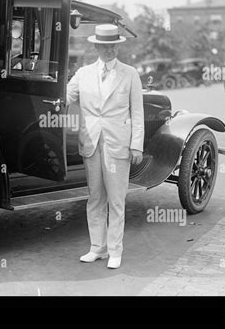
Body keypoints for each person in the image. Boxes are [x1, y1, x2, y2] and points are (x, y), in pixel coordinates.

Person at [67, 24, 145, 269]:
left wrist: (137, 146)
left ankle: (115, 251)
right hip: (91, 142)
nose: (109, 50)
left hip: (118, 144)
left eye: (113, 46)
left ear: (117, 46)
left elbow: (138, 112)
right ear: (96, 47)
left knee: (116, 199)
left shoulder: (130, 73)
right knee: (95, 198)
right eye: (104, 46)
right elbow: (64, 96)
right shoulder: (83, 73)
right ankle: (97, 248)